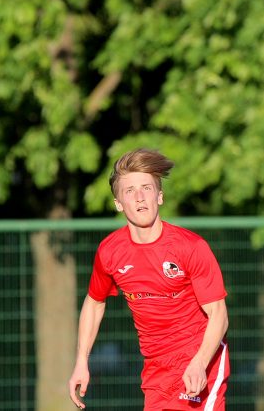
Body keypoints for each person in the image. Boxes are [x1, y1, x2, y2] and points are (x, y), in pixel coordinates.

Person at [68, 149, 230, 410]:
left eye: (146, 188)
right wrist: (81, 362)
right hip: (156, 368)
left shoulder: (191, 247)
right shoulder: (110, 252)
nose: (140, 197)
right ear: (118, 203)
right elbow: (94, 303)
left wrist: (200, 362)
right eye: (130, 191)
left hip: (200, 360)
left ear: (160, 196)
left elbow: (219, 314)